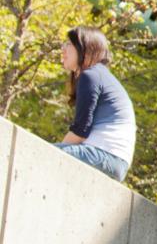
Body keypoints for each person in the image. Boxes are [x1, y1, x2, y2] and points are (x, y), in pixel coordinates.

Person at [57, 26, 136, 182]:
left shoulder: (91, 75)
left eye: (69, 44)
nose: (63, 48)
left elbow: (80, 131)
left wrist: (54, 150)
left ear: (86, 49)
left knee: (42, 152)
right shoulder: (97, 75)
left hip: (105, 156)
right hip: (111, 160)